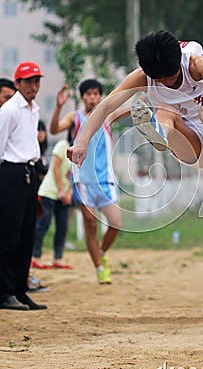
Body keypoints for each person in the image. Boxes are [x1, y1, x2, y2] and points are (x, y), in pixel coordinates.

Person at [67, 30, 203, 191]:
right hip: (189, 146)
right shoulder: (142, 76)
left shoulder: (195, 62)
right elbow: (106, 106)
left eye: (171, 76)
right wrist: (81, 143)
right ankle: (159, 134)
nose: (167, 82)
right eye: (160, 79)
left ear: (179, 62)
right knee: (165, 108)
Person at [50, 79, 121, 284]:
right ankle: (99, 268)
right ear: (82, 97)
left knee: (115, 223)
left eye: (96, 94)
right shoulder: (76, 117)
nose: (92, 97)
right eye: (88, 94)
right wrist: (58, 107)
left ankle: (101, 252)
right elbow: (55, 129)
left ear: (100, 96)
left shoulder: (107, 116)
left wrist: (147, 94)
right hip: (82, 181)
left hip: (105, 180)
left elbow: (130, 109)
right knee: (90, 225)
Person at [0, 61, 47, 310]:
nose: (33, 86)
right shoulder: (9, 110)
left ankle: (20, 289)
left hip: (29, 172)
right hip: (11, 172)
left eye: (37, 81)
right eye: (28, 81)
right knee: (9, 234)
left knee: (27, 234)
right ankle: (5, 292)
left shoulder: (33, 109)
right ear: (17, 83)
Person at [31, 126, 74, 269]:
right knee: (43, 224)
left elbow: (75, 176)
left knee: (62, 226)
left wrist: (68, 194)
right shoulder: (62, 145)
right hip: (49, 192)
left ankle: (58, 258)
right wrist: (61, 191)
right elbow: (55, 168)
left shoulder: (83, 150)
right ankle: (35, 256)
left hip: (64, 195)